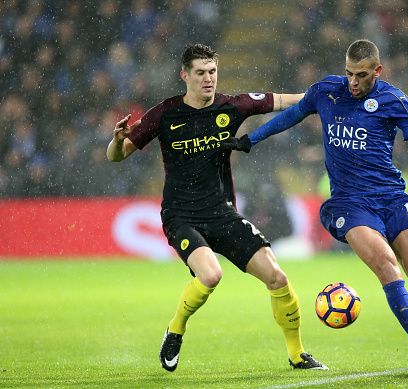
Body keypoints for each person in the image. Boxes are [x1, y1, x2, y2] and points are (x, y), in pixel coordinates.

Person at [222, 39, 408, 374]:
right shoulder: (326, 91)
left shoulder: (393, 99)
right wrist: (250, 140)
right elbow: (291, 116)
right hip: (349, 204)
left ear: (377, 71)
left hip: (393, 199)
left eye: (362, 75)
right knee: (386, 266)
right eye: (350, 73)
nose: (354, 81)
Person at [106, 43, 327, 372]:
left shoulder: (232, 106)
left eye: (212, 71)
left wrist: (323, 95)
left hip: (223, 213)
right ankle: (176, 329)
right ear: (185, 76)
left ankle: (297, 354)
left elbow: (284, 100)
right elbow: (117, 155)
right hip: (181, 216)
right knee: (211, 275)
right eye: (200, 73)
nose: (208, 78)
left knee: (277, 278)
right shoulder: (165, 113)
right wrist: (115, 140)